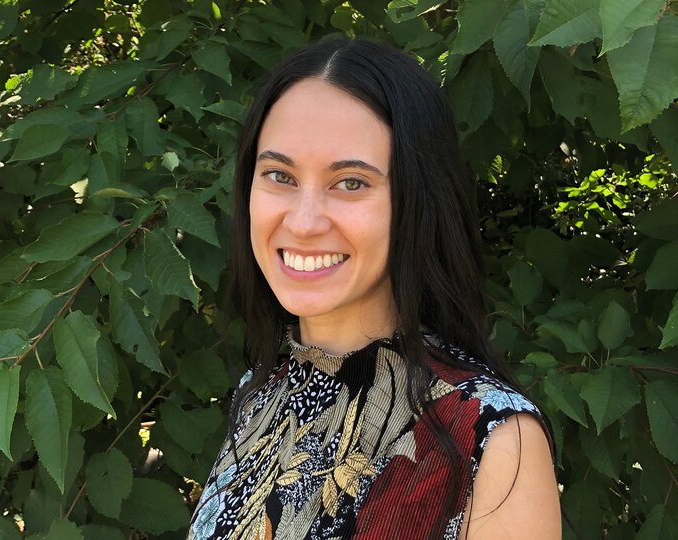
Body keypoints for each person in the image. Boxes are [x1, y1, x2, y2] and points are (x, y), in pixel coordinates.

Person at [187, 38, 561, 540]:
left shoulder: (492, 441)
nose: (302, 221)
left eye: (351, 182)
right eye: (280, 175)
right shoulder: (259, 393)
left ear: (417, 201)